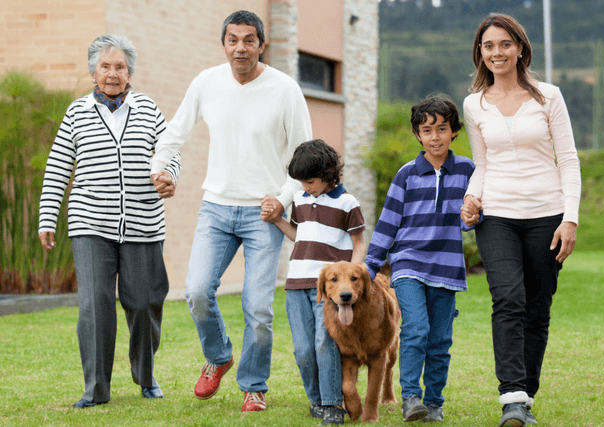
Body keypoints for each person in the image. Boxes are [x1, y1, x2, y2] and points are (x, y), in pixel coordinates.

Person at [149, 10, 312, 412]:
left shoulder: (285, 89)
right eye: (233, 40)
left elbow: (306, 155)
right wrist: (159, 170)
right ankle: (219, 357)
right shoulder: (207, 82)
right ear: (223, 44)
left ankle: (253, 386)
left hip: (265, 214)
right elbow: (172, 136)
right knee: (197, 291)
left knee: (257, 307)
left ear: (261, 45)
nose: (241, 47)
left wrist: (284, 198)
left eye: (249, 40)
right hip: (216, 208)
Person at [38, 34, 181, 409]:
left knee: (146, 302)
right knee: (95, 305)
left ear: (129, 71)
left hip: (144, 222)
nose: (113, 74)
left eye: (119, 66)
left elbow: (170, 152)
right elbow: (57, 168)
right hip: (90, 223)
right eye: (105, 66)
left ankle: (145, 376)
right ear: (92, 72)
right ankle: (96, 388)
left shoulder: (148, 109)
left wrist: (168, 175)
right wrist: (47, 217)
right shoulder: (77, 112)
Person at [460, 13, 581, 427]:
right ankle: (511, 397)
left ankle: (525, 395)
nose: (497, 53)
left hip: (547, 214)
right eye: (489, 46)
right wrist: (472, 196)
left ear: (520, 48)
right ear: (481, 52)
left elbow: (567, 159)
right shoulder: (473, 103)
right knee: (508, 298)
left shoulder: (549, 96)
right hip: (497, 216)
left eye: (505, 44)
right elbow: (482, 163)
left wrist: (571, 218)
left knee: (537, 305)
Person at [365, 95, 479, 423]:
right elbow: (388, 222)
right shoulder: (406, 175)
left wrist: (473, 218)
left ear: (454, 131)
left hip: (446, 267)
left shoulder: (467, 170)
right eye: (427, 130)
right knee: (416, 328)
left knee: (440, 339)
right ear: (418, 135)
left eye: (442, 129)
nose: (435, 137)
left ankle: (434, 402)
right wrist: (372, 264)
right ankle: (410, 397)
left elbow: (470, 216)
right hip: (408, 263)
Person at [260, 139, 365, 425]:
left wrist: (352, 277)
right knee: (302, 349)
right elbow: (300, 235)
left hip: (328, 289)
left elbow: (359, 242)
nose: (306, 187)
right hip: (295, 284)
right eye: (302, 182)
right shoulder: (301, 200)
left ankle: (332, 404)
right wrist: (277, 219)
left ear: (329, 174)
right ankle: (315, 400)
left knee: (324, 343)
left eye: (310, 181)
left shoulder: (348, 203)